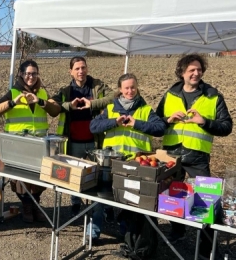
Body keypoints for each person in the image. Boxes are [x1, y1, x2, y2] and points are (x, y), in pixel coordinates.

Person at [156, 54, 232, 259]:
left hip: (197, 157)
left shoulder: (213, 96)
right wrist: (167, 119)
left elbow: (227, 127)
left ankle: (207, 248)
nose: (196, 73)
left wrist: (204, 121)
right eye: (191, 70)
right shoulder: (170, 94)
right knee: (168, 195)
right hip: (171, 156)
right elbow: (157, 123)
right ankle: (178, 230)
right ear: (182, 72)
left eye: (199, 69)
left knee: (206, 203)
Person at [89, 73, 166, 248]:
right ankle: (93, 234)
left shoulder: (145, 110)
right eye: (126, 88)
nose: (130, 91)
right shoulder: (110, 109)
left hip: (135, 166)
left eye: (133, 87)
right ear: (120, 90)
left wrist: (137, 123)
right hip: (110, 165)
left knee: (131, 201)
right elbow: (93, 126)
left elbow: (160, 128)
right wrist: (113, 122)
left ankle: (127, 236)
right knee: (100, 199)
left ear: (137, 87)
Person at [0, 60, 60, 223]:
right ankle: (28, 206)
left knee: (40, 176)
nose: (31, 77)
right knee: (20, 178)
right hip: (18, 143)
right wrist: (13, 103)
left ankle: (35, 203)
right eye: (28, 73)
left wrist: (40, 102)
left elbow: (55, 110)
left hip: (39, 142)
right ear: (21, 74)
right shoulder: (13, 92)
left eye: (34, 73)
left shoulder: (42, 93)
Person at [49, 56, 114, 231]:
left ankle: (100, 208)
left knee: (98, 177)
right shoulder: (65, 90)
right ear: (70, 71)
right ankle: (75, 203)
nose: (81, 71)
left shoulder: (97, 85)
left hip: (95, 141)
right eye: (77, 68)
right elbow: (52, 105)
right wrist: (70, 105)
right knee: (73, 176)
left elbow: (113, 97)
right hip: (74, 141)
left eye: (83, 67)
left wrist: (92, 104)